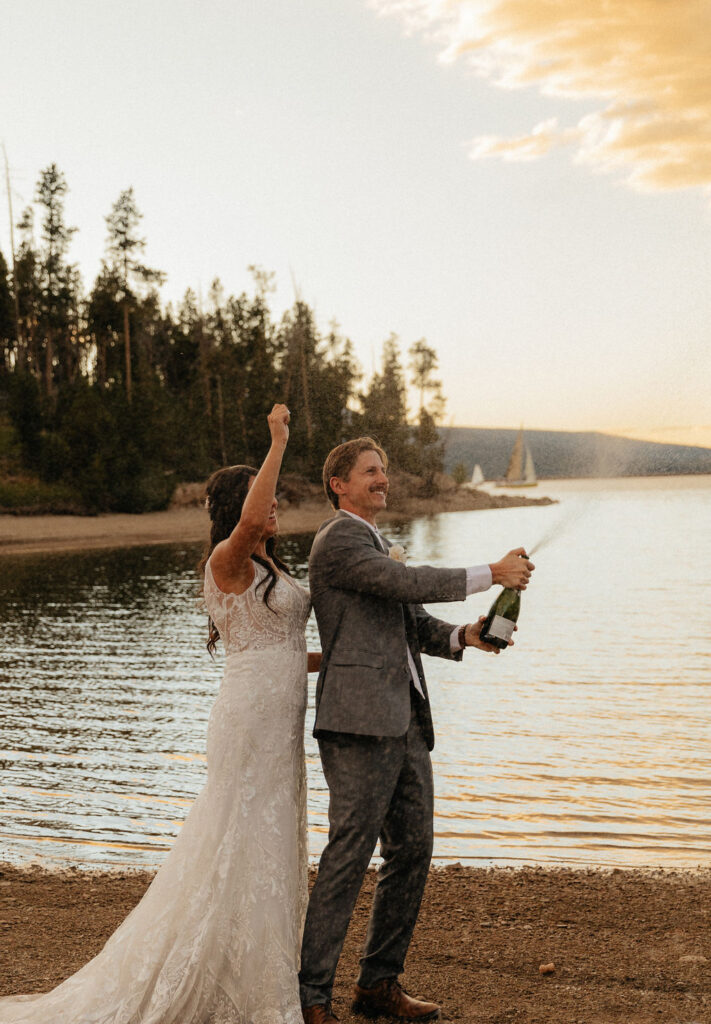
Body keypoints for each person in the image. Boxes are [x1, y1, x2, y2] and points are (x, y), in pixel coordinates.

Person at [0, 403, 316, 1024]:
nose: (274, 504)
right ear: (238, 509)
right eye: (261, 496)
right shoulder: (226, 561)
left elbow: (283, 652)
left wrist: (346, 663)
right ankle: (233, 985)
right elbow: (255, 522)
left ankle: (255, 969)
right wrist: (277, 442)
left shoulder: (271, 565)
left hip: (280, 724)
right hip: (248, 722)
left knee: (271, 841)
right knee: (235, 836)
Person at [299, 437, 534, 1024]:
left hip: (405, 721)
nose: (382, 478)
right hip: (358, 723)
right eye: (369, 471)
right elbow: (408, 584)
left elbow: (413, 621)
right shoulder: (340, 538)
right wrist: (493, 572)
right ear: (339, 485)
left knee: (412, 850)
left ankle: (378, 985)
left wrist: (466, 637)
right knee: (349, 855)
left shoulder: (376, 544)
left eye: (384, 470)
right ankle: (311, 997)